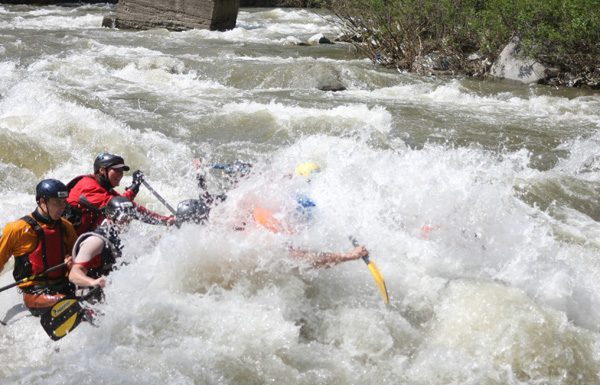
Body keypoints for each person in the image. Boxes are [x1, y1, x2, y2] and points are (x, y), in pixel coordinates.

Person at [0, 179, 77, 315]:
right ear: (42, 202)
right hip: (35, 293)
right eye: (57, 202)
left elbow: (78, 263)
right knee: (64, 302)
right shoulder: (17, 229)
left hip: (63, 284)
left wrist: (72, 263)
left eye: (64, 202)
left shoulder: (66, 227)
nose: (62, 207)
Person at [65, 152, 175, 235]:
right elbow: (124, 206)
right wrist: (164, 221)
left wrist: (134, 186)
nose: (121, 174)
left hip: (83, 237)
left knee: (121, 221)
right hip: (71, 246)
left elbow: (121, 202)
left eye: (122, 171)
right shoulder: (88, 186)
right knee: (121, 218)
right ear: (102, 170)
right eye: (116, 170)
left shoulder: (103, 188)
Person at [69, 196, 135, 297]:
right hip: (90, 295)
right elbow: (73, 274)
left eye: (129, 219)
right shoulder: (96, 241)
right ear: (109, 218)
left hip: (111, 290)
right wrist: (93, 282)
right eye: (123, 219)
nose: (126, 224)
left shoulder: (121, 235)